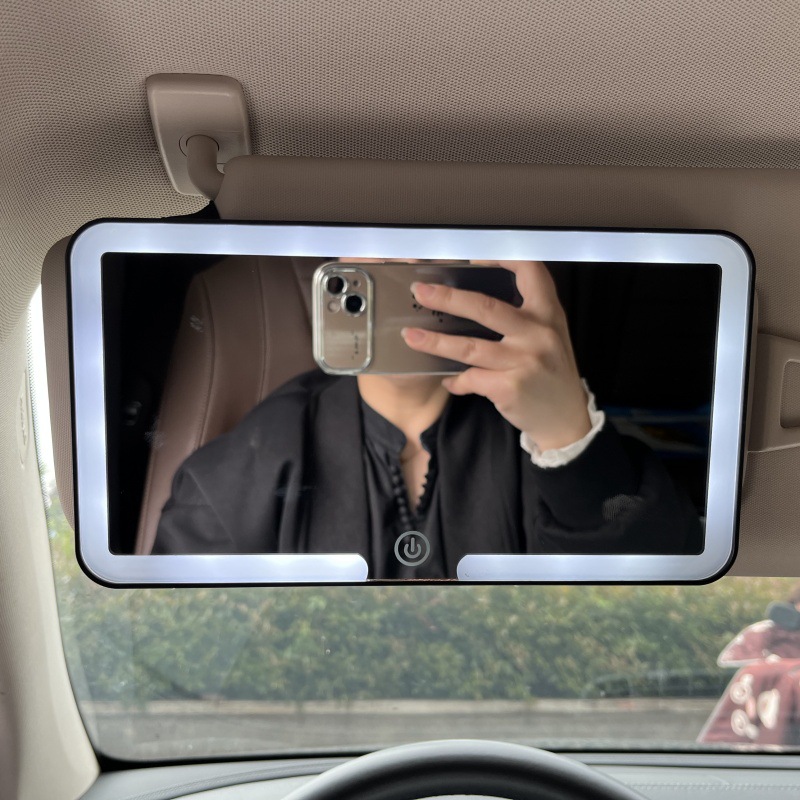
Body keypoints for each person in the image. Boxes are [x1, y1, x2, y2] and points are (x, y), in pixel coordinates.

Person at [152, 259, 702, 578]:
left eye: (440, 250)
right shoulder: (226, 483)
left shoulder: (548, 430)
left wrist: (569, 437)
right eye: (383, 245)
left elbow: (652, 601)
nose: (412, 275)